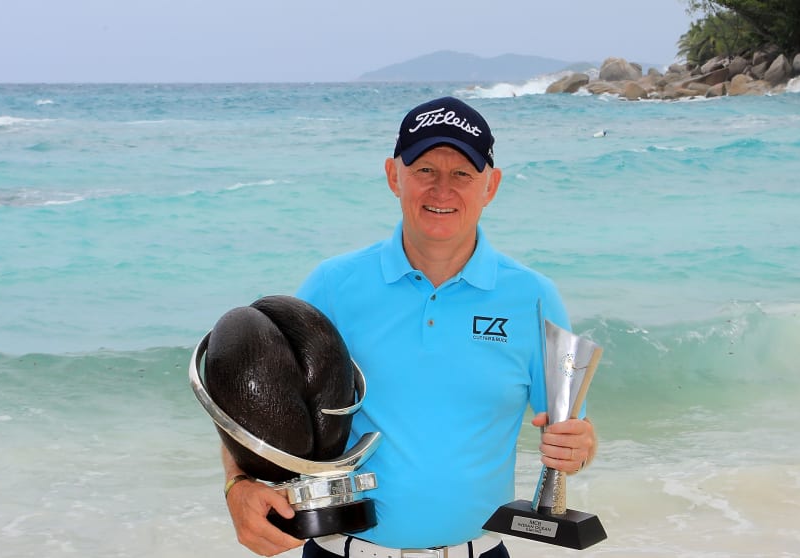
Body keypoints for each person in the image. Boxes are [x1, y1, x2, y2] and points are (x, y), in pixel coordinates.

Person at [221, 96, 598, 557]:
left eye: (462, 173)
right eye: (424, 171)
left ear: (491, 185)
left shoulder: (534, 297)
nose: (442, 190)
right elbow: (250, 400)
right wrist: (238, 484)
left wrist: (579, 447)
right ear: (393, 176)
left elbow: (565, 430)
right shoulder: (333, 285)